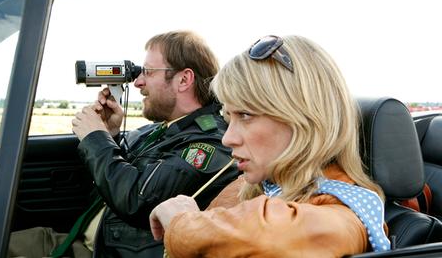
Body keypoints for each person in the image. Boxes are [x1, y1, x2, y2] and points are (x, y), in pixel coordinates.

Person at [149, 35, 391, 257]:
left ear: (302, 119)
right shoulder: (261, 184)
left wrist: (183, 222)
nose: (227, 138)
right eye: (227, 116)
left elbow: (271, 235)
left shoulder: (345, 213)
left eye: (245, 115)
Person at [8, 30, 239, 258]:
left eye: (147, 72)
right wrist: (111, 135)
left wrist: (97, 139)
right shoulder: (160, 130)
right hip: (86, 241)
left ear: (184, 79)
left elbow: (137, 201)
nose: (138, 82)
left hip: (107, 252)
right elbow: (120, 180)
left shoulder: (209, 143)